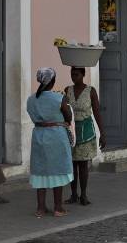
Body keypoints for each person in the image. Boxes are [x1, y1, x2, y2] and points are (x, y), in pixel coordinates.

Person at [27, 67, 73, 218]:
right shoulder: (59, 98)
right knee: (57, 170)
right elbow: (68, 117)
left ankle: (40, 208)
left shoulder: (31, 99)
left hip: (39, 135)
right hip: (56, 136)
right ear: (53, 81)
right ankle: (58, 207)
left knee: (40, 171)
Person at [64, 67, 106, 206]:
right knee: (72, 165)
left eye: (76, 74)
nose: (73, 77)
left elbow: (97, 112)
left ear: (83, 74)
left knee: (82, 165)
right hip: (71, 131)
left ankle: (83, 194)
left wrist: (102, 133)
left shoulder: (91, 91)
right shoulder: (67, 90)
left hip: (86, 131)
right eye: (72, 74)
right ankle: (73, 194)